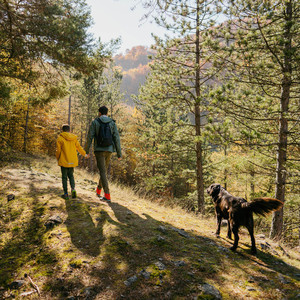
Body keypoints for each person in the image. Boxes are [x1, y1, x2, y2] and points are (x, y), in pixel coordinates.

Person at [85, 105, 122, 202]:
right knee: (103, 171)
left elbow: (90, 137)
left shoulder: (95, 122)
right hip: (109, 150)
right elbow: (117, 138)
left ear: (100, 113)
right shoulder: (112, 123)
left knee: (102, 171)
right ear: (107, 113)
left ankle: (107, 195)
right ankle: (98, 190)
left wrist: (86, 151)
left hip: (99, 150)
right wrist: (119, 153)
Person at [56, 124, 88, 200]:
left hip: (64, 161)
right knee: (71, 176)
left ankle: (66, 194)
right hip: (72, 161)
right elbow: (79, 148)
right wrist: (85, 154)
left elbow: (58, 150)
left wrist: (58, 158)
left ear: (62, 131)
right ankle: (73, 189)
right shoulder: (74, 138)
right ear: (70, 130)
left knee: (64, 177)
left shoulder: (60, 138)